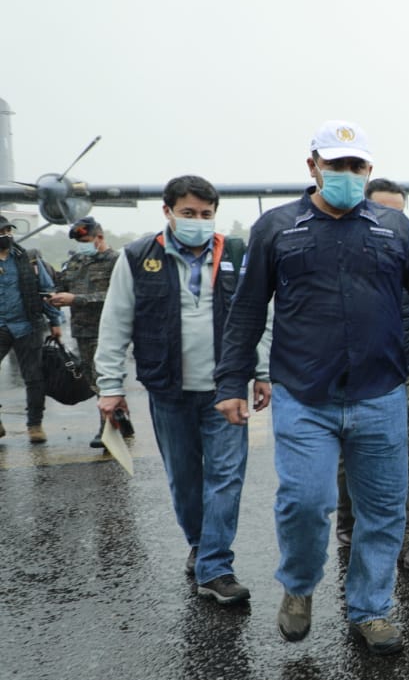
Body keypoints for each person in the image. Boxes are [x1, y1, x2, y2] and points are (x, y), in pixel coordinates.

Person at [213, 120, 409, 656]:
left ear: (368, 170)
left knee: (382, 509)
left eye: (357, 167)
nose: (347, 175)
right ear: (313, 167)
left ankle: (370, 610)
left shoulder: (393, 229)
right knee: (306, 501)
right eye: (336, 166)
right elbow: (247, 310)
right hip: (305, 395)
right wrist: (232, 379)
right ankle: (300, 586)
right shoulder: (277, 228)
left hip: (381, 393)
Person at [95, 176, 271, 605]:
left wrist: (262, 371)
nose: (198, 222)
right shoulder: (138, 257)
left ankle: (216, 568)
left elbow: (258, 315)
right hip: (168, 388)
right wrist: (110, 385)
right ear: (168, 211)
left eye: (206, 214)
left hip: (225, 390)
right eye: (188, 213)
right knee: (186, 480)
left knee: (226, 478)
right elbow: (116, 321)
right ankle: (200, 543)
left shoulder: (235, 253)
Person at [331, 178, 409, 571]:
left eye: (398, 215)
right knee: (350, 457)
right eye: (382, 212)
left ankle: (408, 539)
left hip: (401, 370)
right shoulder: (337, 252)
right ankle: (350, 525)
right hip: (346, 373)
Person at [50, 216, 119, 447]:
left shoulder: (115, 261)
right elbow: (62, 284)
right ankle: (119, 419)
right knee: (91, 378)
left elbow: (116, 297)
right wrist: (56, 297)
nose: (82, 245)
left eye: (86, 240)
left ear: (99, 237)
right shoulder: (75, 262)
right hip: (82, 330)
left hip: (107, 330)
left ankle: (107, 429)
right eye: (79, 241)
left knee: (103, 379)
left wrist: (76, 299)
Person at [0, 214, 63, 443]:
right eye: (1, 231)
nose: (5, 235)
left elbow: (46, 290)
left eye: (8, 230)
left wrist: (55, 322)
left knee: (34, 377)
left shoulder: (28, 258)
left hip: (28, 325)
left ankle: (35, 425)